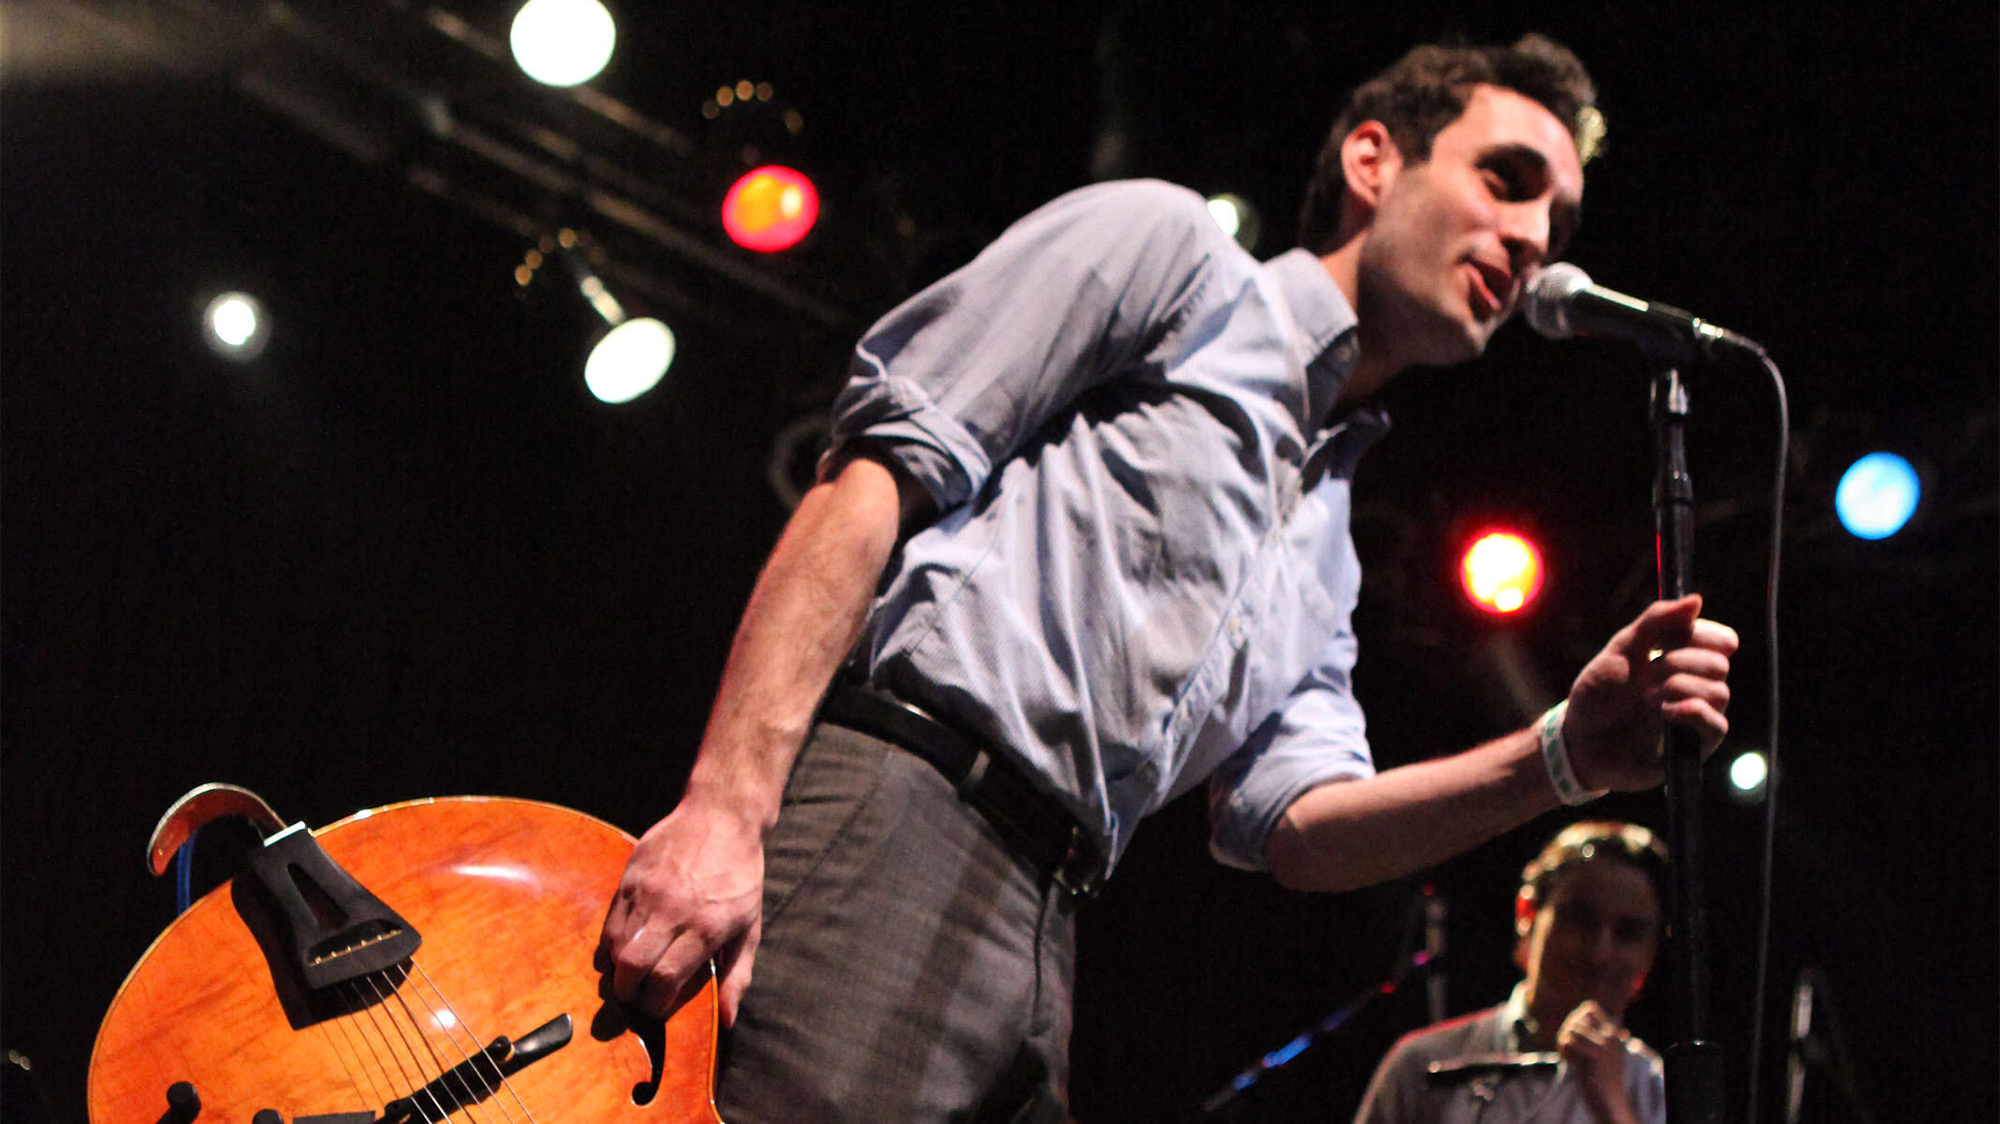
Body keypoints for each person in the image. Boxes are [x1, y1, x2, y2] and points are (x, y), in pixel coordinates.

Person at [599, 33, 1739, 1124]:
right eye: (1506, 179)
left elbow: (1302, 825)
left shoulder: (1329, 537)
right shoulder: (1173, 252)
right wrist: (722, 810)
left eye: (1556, 219)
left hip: (1053, 914)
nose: (1532, 236)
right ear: (1371, 159)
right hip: (903, 809)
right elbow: (872, 476)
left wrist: (1561, 756)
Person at [1352, 822, 1672, 1124]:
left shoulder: (1662, 1090)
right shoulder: (1422, 1063)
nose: (1599, 953)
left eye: (1629, 932)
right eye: (1580, 919)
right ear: (1527, 912)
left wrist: (1614, 1110)